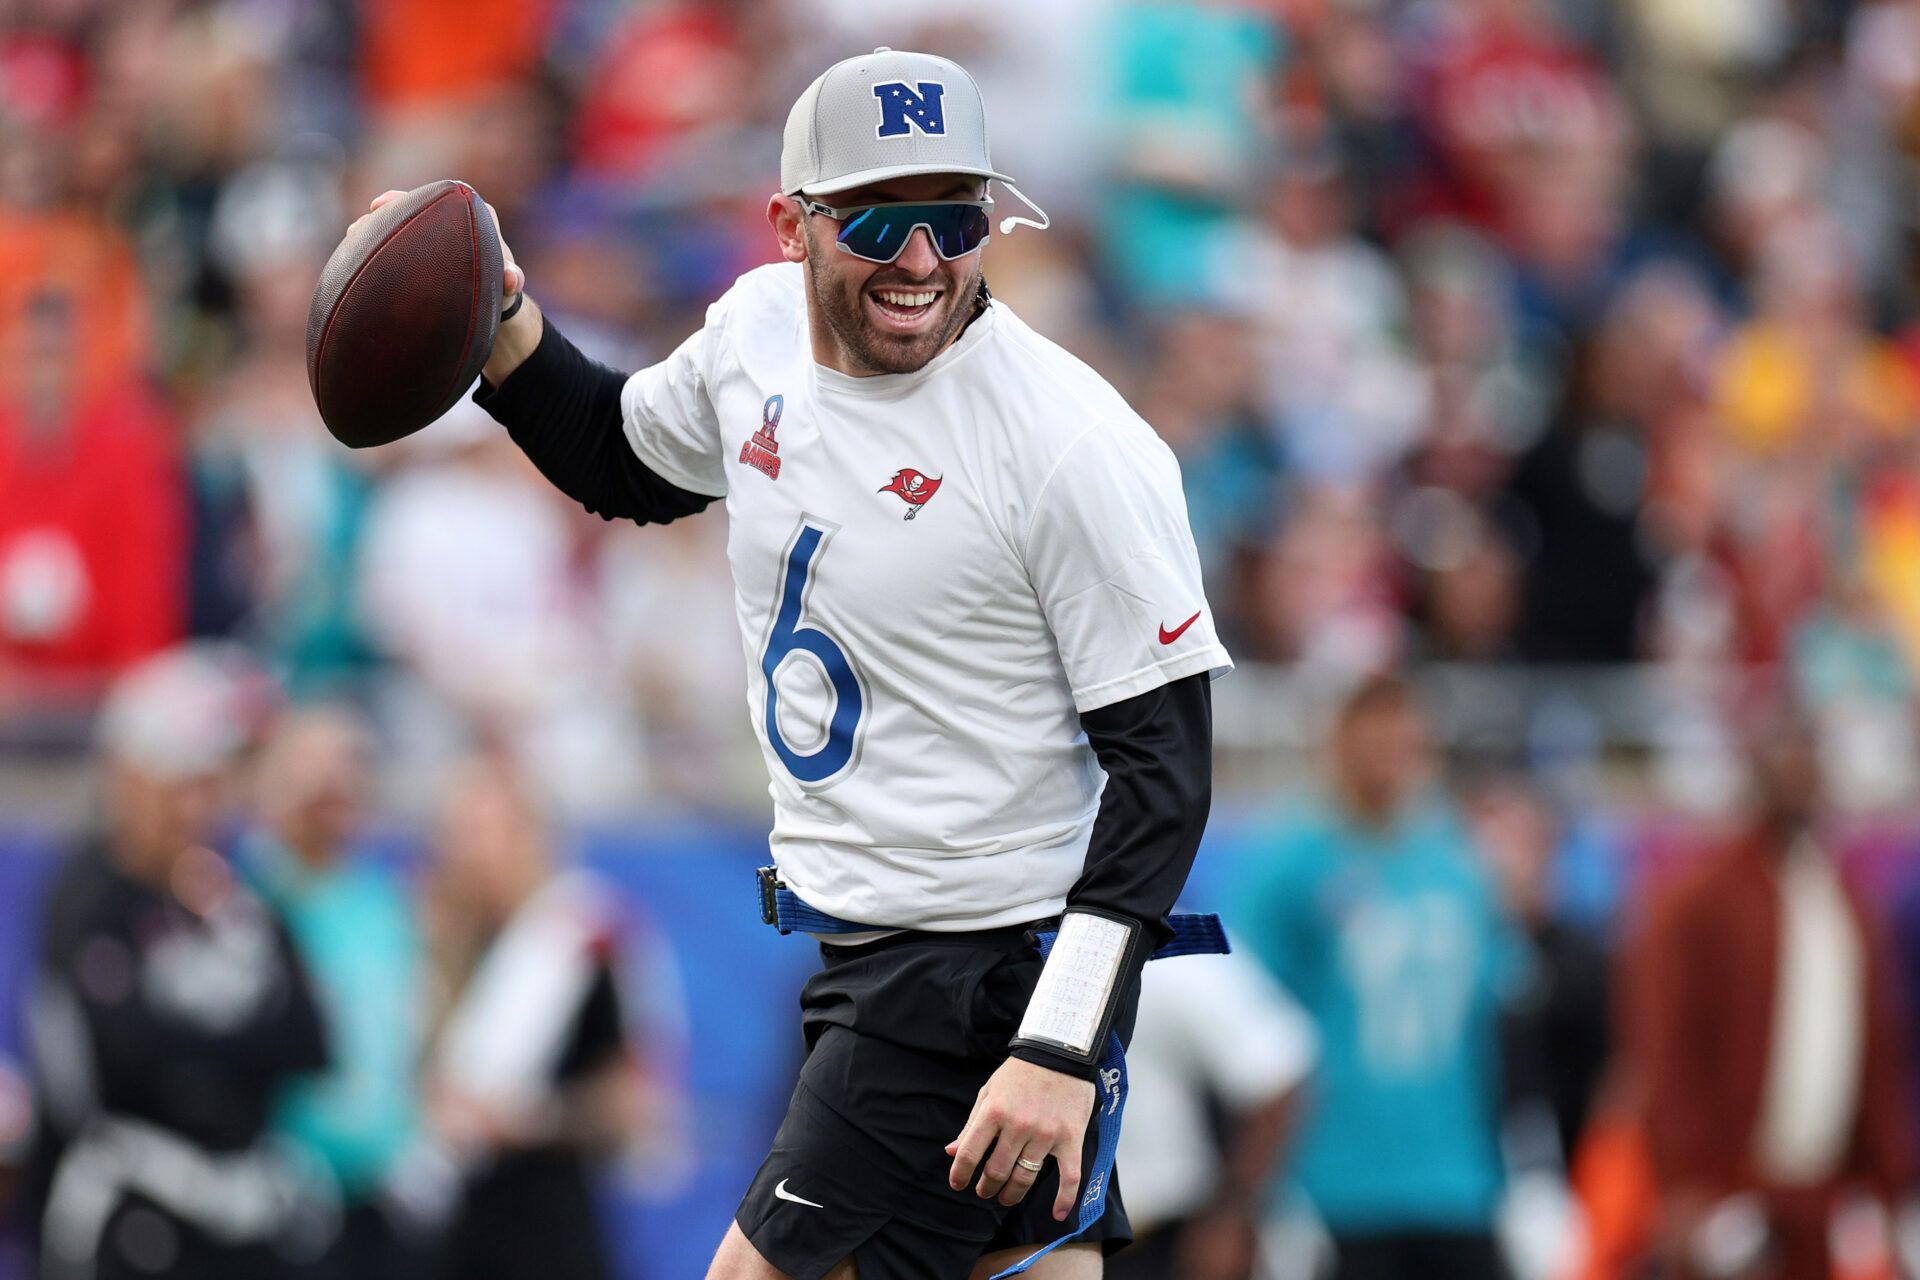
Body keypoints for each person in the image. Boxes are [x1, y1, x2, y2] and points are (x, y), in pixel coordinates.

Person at [349, 45, 1230, 1279]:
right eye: (879, 221)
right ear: (792, 225)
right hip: (884, 955)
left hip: (970, 977)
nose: (923, 260)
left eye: (953, 217)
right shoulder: (756, 332)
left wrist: (1059, 1041)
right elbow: (626, 460)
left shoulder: (1074, 443)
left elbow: (1165, 773)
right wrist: (495, 322)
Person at [24, 645, 330, 1280]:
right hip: (132, 1211)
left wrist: (201, 1049)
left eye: (210, 783)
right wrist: (236, 1041)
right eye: (179, 783)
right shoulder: (88, 899)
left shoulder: (230, 897)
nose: (197, 808)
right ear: (126, 778)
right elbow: (118, 1061)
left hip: (238, 1211)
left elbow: (312, 1038)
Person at [1231, 675, 1513, 1280]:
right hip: (1337, 1179)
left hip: (1458, 1174)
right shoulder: (1292, 861)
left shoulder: (1457, 860)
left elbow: (1495, 1009)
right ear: (1338, 740)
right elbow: (1242, 1014)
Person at [1620, 705, 1916, 1280]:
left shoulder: (1847, 904)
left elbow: (1876, 1054)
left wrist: (1889, 1185)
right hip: (1730, 1186)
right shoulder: (1699, 903)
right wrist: (1687, 1183)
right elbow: (1666, 1048)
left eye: (1807, 764)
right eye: (1782, 764)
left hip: (1820, 1188)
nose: (1796, 779)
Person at [420, 754, 651, 1280]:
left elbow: (630, 1102)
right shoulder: (434, 942)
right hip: (452, 1227)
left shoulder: (573, 941)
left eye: (494, 831)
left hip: (547, 1223)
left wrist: (534, 1120)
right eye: (464, 832)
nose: (477, 851)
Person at [239, 706, 429, 1280]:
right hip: (283, 1193)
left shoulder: (383, 901)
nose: (334, 788)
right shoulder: (248, 900)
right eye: (314, 773)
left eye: (347, 771)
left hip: (378, 1189)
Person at [1108, 948, 1316, 1280]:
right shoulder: (1014, 943)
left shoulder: (1170, 953)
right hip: (1041, 1240)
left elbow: (1278, 1078)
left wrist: (1229, 1218)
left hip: (1165, 1237)